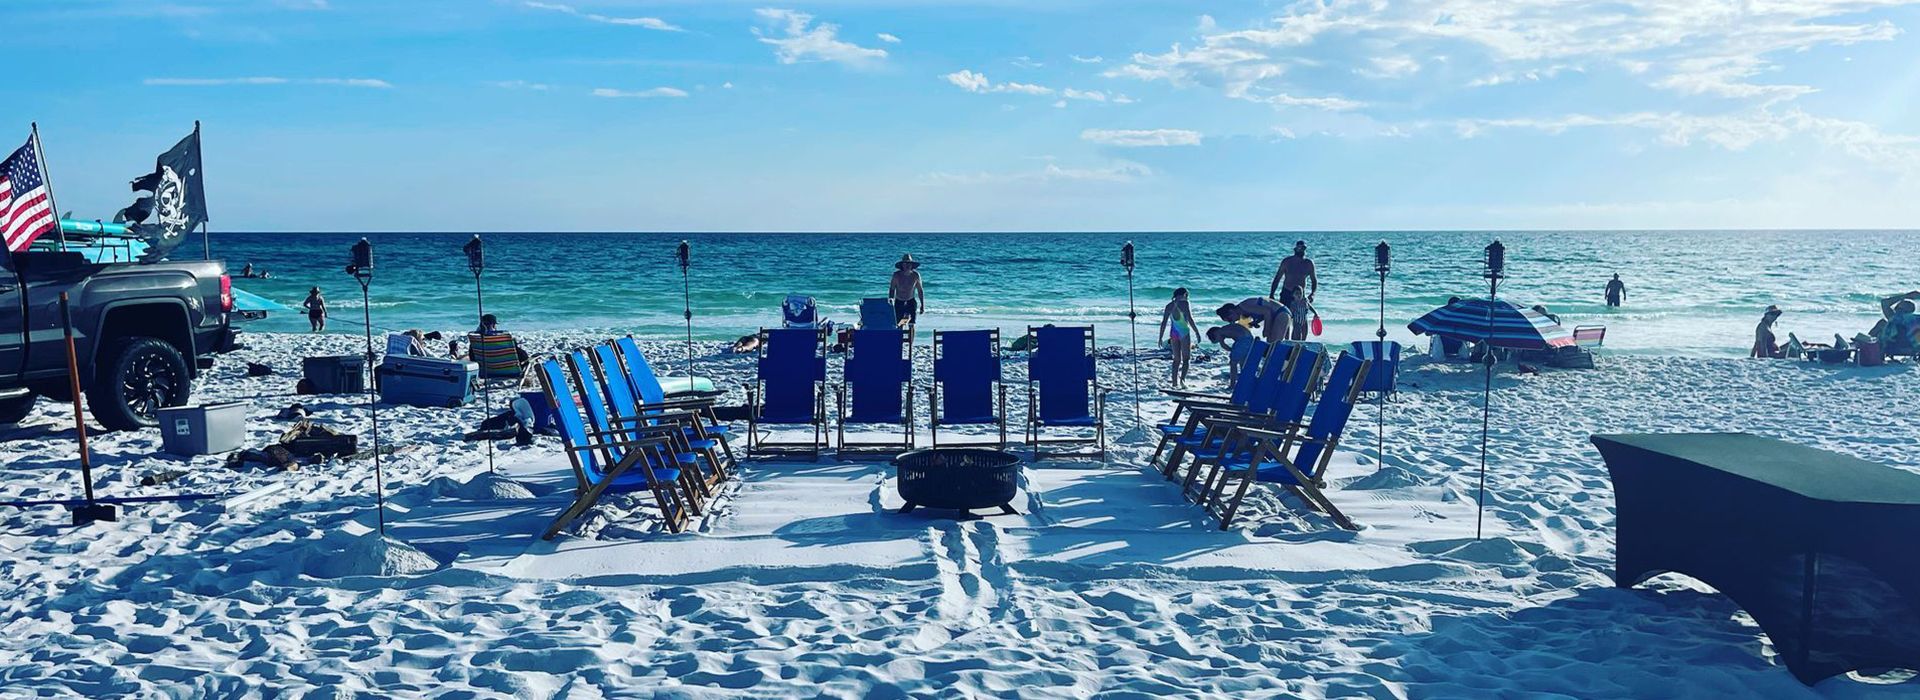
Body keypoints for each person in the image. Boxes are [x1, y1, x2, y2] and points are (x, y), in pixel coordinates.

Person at [1268, 240, 1317, 341]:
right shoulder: (1287, 261)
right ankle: (1285, 341)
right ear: (1295, 249)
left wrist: (1312, 294)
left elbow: (1314, 280)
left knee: (1299, 322)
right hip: (1286, 293)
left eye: (1303, 248)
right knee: (1285, 318)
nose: (1301, 250)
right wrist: (1272, 294)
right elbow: (1277, 278)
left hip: (1300, 295)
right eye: (1299, 247)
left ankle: (1298, 343)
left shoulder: (1308, 263)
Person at [1157, 288, 1199, 389]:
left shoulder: (1169, 306)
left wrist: (1160, 337)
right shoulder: (1185, 303)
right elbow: (1189, 319)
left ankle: (1174, 383)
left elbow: (1164, 322)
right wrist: (1197, 332)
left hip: (1173, 333)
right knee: (1186, 358)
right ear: (1184, 294)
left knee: (1176, 359)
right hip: (1184, 332)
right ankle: (1182, 381)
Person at [1217, 297, 1291, 344]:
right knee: (1271, 343)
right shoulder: (1243, 312)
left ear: (1231, 311)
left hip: (1281, 313)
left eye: (1230, 319)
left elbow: (1267, 312)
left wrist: (1266, 329)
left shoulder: (1244, 306)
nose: (1233, 321)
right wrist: (1256, 322)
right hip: (1278, 314)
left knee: (1275, 343)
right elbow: (1261, 312)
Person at [889, 254, 925, 338]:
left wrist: (922, 305)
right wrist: (890, 302)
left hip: (911, 300)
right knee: (899, 324)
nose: (907, 265)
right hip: (899, 300)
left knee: (911, 324)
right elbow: (892, 289)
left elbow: (920, 290)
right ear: (902, 265)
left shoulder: (916, 275)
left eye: (909, 263)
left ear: (912, 265)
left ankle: (910, 344)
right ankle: (899, 342)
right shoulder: (896, 275)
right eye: (905, 263)